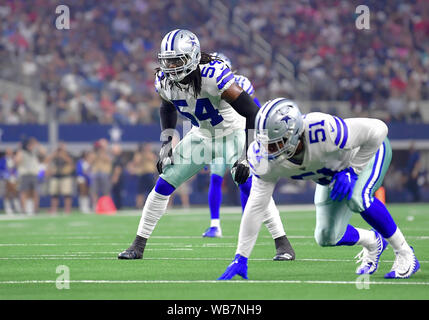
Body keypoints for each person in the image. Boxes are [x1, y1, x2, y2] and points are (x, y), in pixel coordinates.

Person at [118, 29, 294, 261]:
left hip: (233, 133)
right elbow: (167, 107)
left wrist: (247, 155)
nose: (170, 66)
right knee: (163, 184)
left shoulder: (214, 75)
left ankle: (283, 244)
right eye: (167, 60)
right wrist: (165, 143)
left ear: (192, 57)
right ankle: (138, 245)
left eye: (176, 60)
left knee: (252, 187)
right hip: (201, 135)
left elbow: (252, 112)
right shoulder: (164, 80)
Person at [218, 98, 420, 280]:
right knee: (326, 237)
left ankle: (405, 254)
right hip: (332, 176)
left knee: (357, 197)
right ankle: (373, 241)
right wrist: (241, 257)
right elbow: (256, 206)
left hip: (368, 155)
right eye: (264, 143)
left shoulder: (323, 129)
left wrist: (353, 171)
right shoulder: (263, 156)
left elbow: (379, 130)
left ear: (294, 134)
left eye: (274, 144)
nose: (267, 150)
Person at [204, 52, 262, 238]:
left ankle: (248, 223)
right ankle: (215, 225)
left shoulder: (240, 83)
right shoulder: (206, 83)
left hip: (240, 137)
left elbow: (255, 109)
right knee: (215, 178)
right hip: (219, 137)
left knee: (244, 180)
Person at [15, 137, 45, 215]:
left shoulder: (34, 152)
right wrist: (19, 149)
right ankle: (24, 209)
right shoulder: (22, 152)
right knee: (24, 192)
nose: (31, 146)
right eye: (29, 145)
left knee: (35, 192)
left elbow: (43, 152)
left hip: (34, 174)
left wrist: (37, 144)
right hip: (24, 175)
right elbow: (17, 161)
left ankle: (35, 209)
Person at [45, 142, 75, 214]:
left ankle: (67, 210)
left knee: (67, 194)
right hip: (55, 175)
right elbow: (46, 161)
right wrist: (54, 154)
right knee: (54, 194)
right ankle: (54, 209)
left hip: (65, 176)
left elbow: (72, 163)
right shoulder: (54, 154)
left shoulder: (68, 154)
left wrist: (63, 155)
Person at [128, 143, 157, 209]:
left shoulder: (151, 154)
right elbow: (136, 161)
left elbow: (153, 159)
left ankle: (153, 205)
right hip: (143, 174)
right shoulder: (139, 154)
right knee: (140, 191)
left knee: (152, 191)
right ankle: (139, 206)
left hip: (150, 174)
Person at [0, 148, 21, 214]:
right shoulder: (2, 160)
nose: (10, 153)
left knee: (15, 192)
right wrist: (6, 175)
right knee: (7, 192)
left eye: (11, 152)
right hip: (5, 178)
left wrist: (15, 175)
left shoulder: (14, 159)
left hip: (14, 178)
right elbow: (1, 169)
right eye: (9, 152)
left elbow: (16, 169)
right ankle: (8, 207)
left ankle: (17, 206)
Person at [111, 144, 125, 210]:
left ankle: (117, 206)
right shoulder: (116, 158)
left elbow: (118, 169)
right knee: (117, 193)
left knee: (117, 193)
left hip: (118, 178)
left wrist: (115, 177)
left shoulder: (118, 159)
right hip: (119, 178)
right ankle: (117, 206)